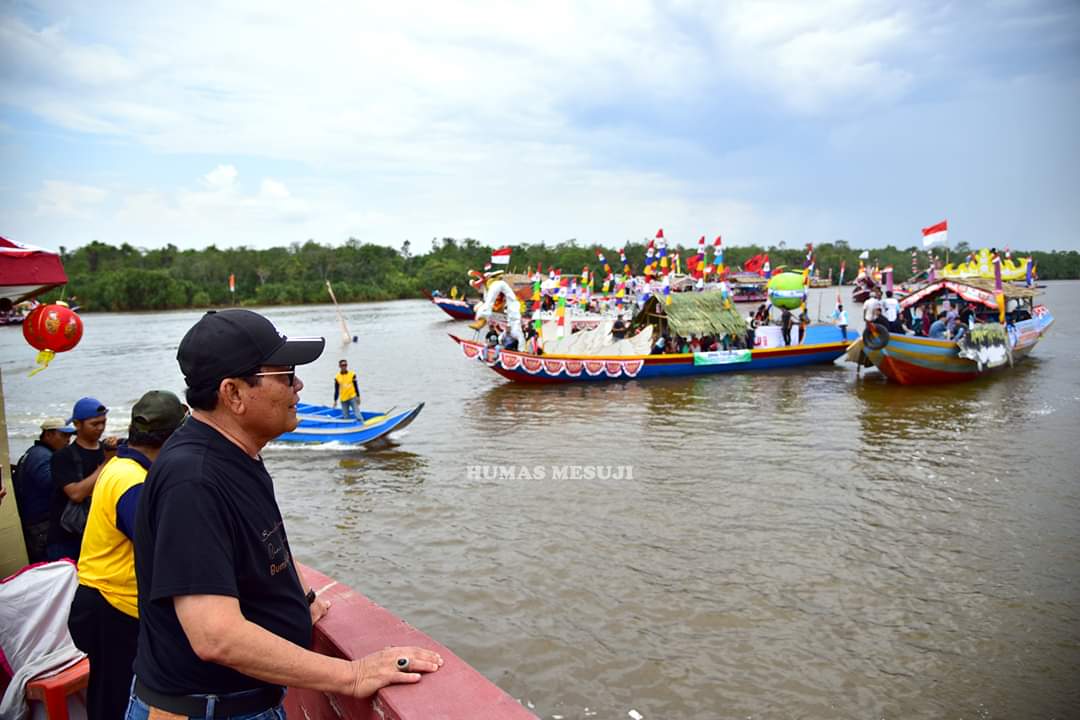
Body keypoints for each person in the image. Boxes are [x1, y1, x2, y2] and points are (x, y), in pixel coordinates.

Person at [128, 310, 441, 719]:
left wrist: (297, 599)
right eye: (285, 375)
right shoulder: (194, 480)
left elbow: (255, 549)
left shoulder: (236, 456)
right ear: (234, 393)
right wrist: (352, 674)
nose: (298, 385)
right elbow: (214, 635)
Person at [68, 391, 188, 720]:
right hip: (112, 606)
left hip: (104, 600)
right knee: (116, 696)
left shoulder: (123, 465)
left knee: (109, 690)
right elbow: (163, 545)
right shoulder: (130, 481)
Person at [47, 397, 116, 561]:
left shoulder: (106, 451)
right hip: (66, 538)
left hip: (98, 534)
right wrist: (107, 463)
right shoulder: (62, 456)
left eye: (103, 422)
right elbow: (76, 493)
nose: (100, 428)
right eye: (94, 424)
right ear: (77, 424)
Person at [13, 418, 75, 563]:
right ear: (48, 435)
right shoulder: (42, 457)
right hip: (41, 527)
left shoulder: (34, 452)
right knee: (50, 570)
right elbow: (53, 485)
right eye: (64, 435)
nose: (68, 440)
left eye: (70, 436)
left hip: (34, 524)